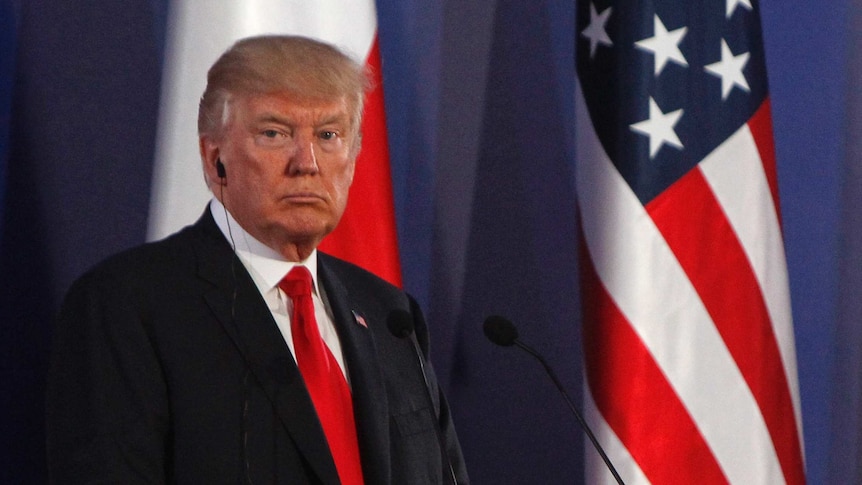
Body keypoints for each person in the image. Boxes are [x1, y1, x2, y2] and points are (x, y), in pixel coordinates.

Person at [46, 35, 468, 484]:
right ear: (214, 159)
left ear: (353, 157)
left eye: (328, 135)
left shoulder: (390, 316)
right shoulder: (128, 305)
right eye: (274, 133)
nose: (306, 163)